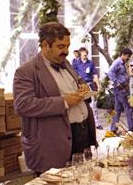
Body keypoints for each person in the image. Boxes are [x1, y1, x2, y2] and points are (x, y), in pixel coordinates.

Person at [13, 22, 97, 175]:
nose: (66, 51)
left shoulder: (66, 63)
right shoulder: (26, 71)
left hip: (81, 135)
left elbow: (76, 81)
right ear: (45, 44)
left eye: (67, 46)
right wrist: (64, 102)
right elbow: (23, 105)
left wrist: (82, 85)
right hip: (53, 143)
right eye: (60, 46)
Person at [108, 48, 133, 133]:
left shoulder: (123, 63)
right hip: (120, 89)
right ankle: (132, 128)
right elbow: (110, 72)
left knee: (117, 109)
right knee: (128, 107)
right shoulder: (118, 62)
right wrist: (117, 83)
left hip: (121, 88)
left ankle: (113, 129)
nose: (128, 58)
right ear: (123, 54)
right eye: (128, 56)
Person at [75, 47, 101, 129]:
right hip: (80, 86)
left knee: (93, 105)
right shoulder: (76, 63)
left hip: (89, 85)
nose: (84, 54)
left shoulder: (91, 63)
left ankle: (96, 123)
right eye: (82, 52)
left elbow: (95, 75)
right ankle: (82, 123)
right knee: (80, 105)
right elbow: (73, 75)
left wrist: (98, 86)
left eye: (85, 52)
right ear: (80, 54)